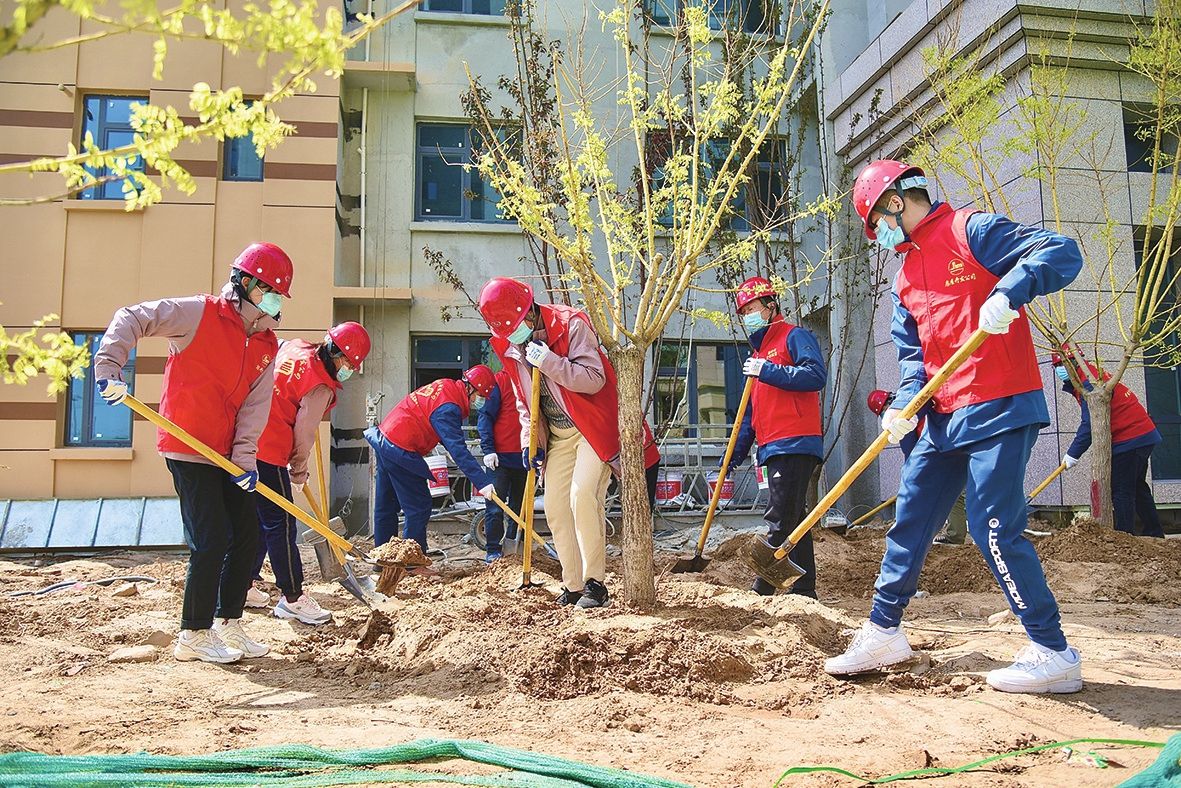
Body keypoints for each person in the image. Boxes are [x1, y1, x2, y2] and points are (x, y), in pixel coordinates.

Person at [826, 160, 1085, 694]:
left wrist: (1008, 291)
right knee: (910, 520)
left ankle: (1053, 651)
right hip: (941, 418)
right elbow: (912, 359)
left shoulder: (972, 231)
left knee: (993, 530)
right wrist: (901, 409)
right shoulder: (904, 274)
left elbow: (1061, 251)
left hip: (999, 405)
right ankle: (883, 630)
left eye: (877, 222)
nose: (880, 235)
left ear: (895, 201)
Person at [94, 242, 293, 664]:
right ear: (246, 284)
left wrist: (244, 459)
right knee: (211, 539)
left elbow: (256, 408)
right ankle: (193, 633)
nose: (274, 301)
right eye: (269, 291)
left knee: (248, 535)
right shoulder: (199, 313)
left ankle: (228, 621)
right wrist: (110, 367)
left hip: (226, 455)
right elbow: (131, 317)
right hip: (187, 446)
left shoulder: (265, 343)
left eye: (278, 295)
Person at [478, 277, 659, 609]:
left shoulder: (570, 324)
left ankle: (595, 584)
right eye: (506, 332)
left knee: (582, 495)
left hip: (592, 428)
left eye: (517, 327)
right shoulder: (508, 346)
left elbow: (593, 380)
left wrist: (548, 361)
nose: (513, 337)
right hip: (558, 436)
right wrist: (528, 441)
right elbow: (523, 401)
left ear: (530, 312)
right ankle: (573, 585)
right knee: (556, 508)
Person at [247, 322, 371, 624]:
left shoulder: (296, 347)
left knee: (256, 519)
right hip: (269, 449)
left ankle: (245, 584)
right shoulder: (320, 387)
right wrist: (299, 469)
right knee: (282, 524)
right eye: (349, 364)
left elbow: (276, 352)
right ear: (336, 354)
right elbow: (304, 433)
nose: (349, 371)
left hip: (244, 439)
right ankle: (292, 597)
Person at [725, 277, 826, 599]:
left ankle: (763, 589)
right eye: (743, 312)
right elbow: (751, 414)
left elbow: (814, 375)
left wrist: (767, 370)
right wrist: (735, 455)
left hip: (795, 440)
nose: (747, 316)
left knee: (779, 518)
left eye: (751, 308)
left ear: (771, 307)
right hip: (771, 446)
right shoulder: (760, 353)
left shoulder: (794, 337)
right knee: (795, 519)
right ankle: (805, 590)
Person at [364, 367, 497, 551]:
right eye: (480, 395)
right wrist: (482, 482)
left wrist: (446, 442)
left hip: (386, 438)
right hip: (401, 447)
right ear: (470, 389)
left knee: (386, 505)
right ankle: (413, 561)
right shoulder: (449, 407)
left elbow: (429, 416)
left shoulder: (446, 386)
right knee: (418, 506)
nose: (479, 401)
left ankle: (383, 557)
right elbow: (459, 450)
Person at [1053, 349, 1164, 538]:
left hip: (1131, 437)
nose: (1060, 369)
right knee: (1136, 486)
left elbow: (1090, 424)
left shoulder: (1089, 382)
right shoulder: (1087, 375)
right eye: (1056, 366)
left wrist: (1073, 454)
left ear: (1074, 361)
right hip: (1142, 435)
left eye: (1063, 364)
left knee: (1122, 491)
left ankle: (1124, 538)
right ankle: (1154, 532)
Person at [866, 389, 968, 545]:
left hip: (938, 454)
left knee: (953, 495)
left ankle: (954, 535)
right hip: (958, 442)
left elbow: (910, 452)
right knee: (966, 493)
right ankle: (959, 533)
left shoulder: (900, 420)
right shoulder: (917, 401)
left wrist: (912, 477)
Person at [477, 368, 529, 563]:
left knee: (521, 508)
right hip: (499, 459)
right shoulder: (501, 380)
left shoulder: (535, 378)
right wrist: (488, 449)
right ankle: (493, 550)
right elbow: (485, 416)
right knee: (494, 507)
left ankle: (515, 548)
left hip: (525, 458)